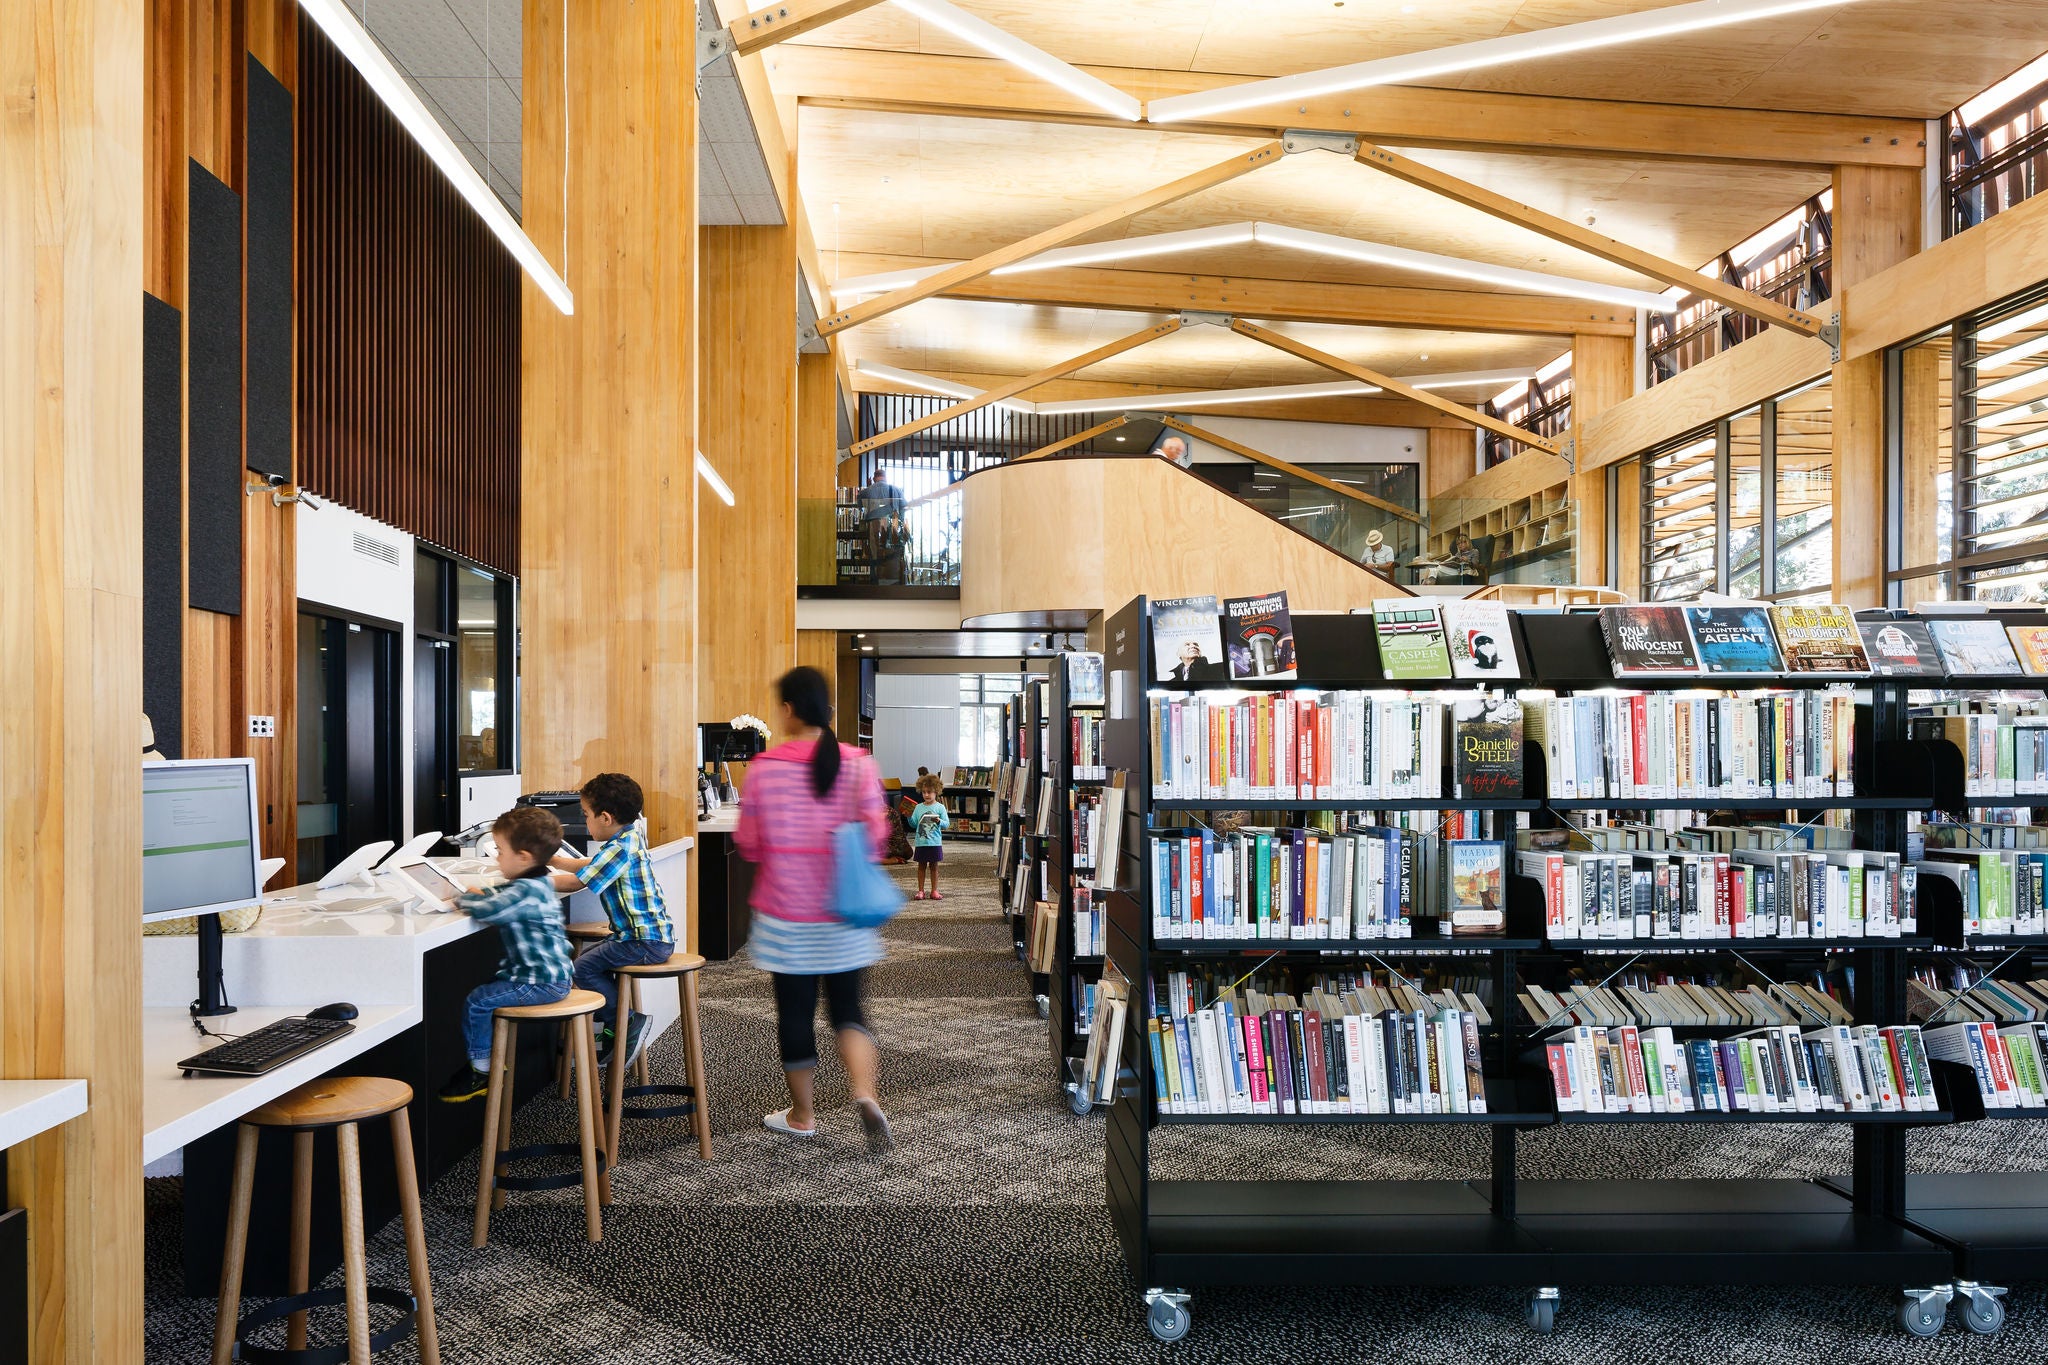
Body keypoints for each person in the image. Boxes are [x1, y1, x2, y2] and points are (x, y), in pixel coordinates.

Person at [734, 665, 895, 1151]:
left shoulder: (765, 768)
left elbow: (748, 845)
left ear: (787, 710)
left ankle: (803, 1115)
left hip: (786, 917)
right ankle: (865, 1094)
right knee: (850, 1012)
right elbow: (877, 838)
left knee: (795, 1015)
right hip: (844, 914)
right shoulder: (858, 763)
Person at [439, 805, 575, 1101]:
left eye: (500, 851)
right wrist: (484, 892)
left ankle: (481, 1070)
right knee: (489, 990)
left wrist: (460, 898)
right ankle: (485, 1062)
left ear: (523, 857)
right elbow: (503, 895)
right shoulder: (537, 884)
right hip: (554, 978)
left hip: (539, 983)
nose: (497, 857)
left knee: (477, 1001)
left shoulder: (525, 891)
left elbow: (491, 909)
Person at [550, 772, 674, 1067]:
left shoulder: (619, 848)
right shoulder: (629, 837)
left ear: (605, 817)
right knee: (592, 963)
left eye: (586, 815)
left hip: (641, 941)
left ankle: (625, 1023)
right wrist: (553, 861)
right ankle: (616, 1024)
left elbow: (576, 883)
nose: (585, 821)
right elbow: (591, 865)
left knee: (581, 968)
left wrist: (523, 879)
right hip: (648, 937)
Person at [908, 773, 950, 901]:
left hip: (935, 843)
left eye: (929, 792)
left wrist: (939, 822)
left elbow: (946, 824)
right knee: (921, 867)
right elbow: (914, 824)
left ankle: (934, 891)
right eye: (924, 792)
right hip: (921, 842)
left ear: (936, 792)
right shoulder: (918, 807)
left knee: (934, 867)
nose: (926, 795)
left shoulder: (940, 807)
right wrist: (909, 816)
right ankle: (920, 891)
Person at [859, 470, 905, 571]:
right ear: (885, 477)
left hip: (873, 523)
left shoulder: (867, 491)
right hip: (892, 523)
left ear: (874, 478)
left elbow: (860, 506)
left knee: (874, 553)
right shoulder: (896, 490)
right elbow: (903, 507)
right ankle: (891, 577)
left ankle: (875, 577)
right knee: (891, 551)